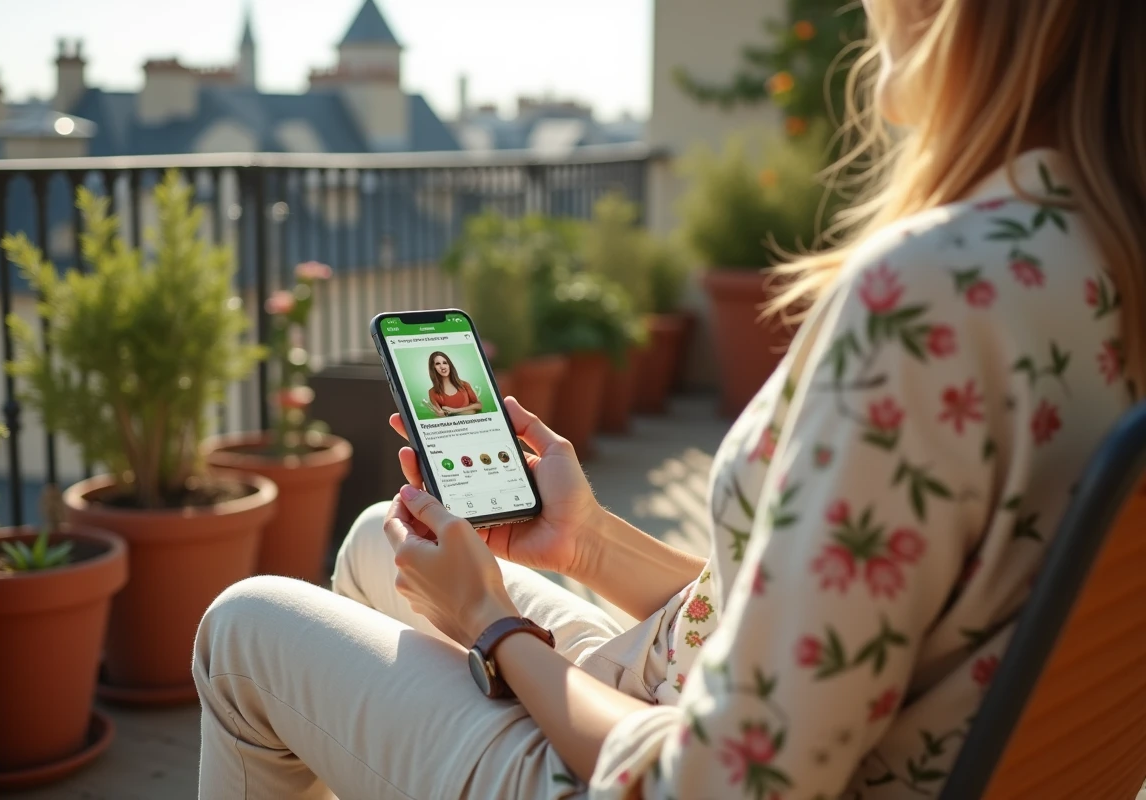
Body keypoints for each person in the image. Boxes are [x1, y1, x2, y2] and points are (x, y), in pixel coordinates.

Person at [192, 1, 1145, 797]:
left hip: (645, 761)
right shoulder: (1096, 263)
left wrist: (498, 631)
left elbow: (721, 785)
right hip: (692, 692)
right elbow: (836, 624)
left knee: (242, 631)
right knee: (376, 542)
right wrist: (589, 543)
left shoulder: (933, 296)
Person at [426, 350, 482, 417]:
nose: (442, 367)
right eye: (437, 364)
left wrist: (454, 411)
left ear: (449, 365)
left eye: (445, 363)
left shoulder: (464, 385)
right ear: (433, 368)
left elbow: (479, 406)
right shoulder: (432, 392)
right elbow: (441, 415)